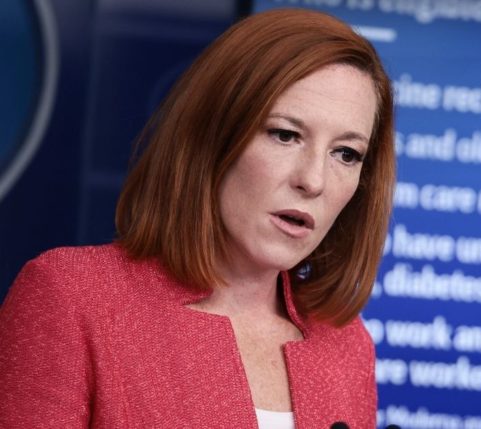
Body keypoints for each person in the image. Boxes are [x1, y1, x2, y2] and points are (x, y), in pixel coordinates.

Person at [0, 8, 394, 429]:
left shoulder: (346, 344)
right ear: (213, 135)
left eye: (346, 154)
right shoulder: (72, 296)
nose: (313, 180)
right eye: (285, 134)